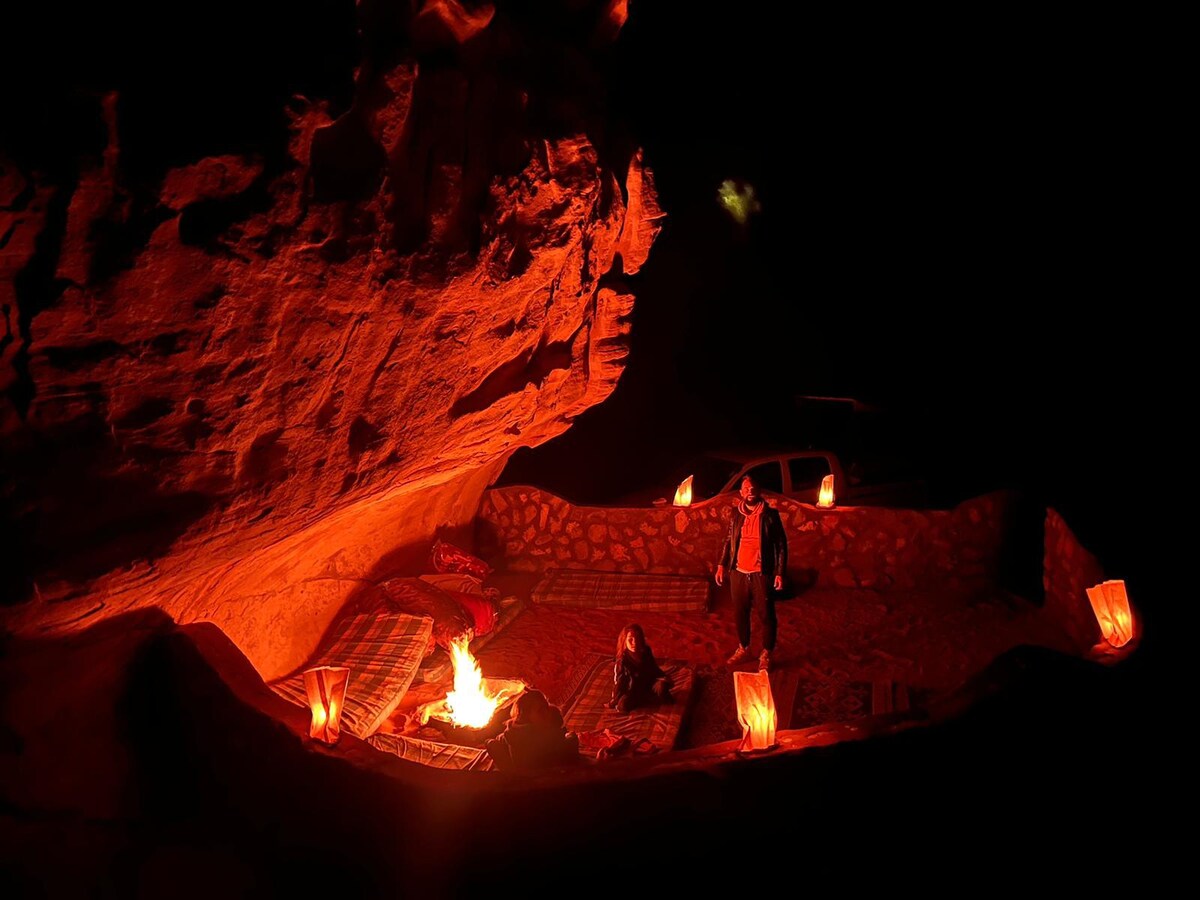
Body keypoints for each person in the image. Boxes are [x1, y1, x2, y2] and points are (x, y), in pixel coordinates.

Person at [715, 474, 788, 670]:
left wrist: (779, 572)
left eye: (754, 488)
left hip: (761, 573)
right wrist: (722, 565)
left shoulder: (770, 515)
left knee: (766, 615)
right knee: (740, 613)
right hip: (738, 572)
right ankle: (744, 647)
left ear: (759, 491)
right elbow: (728, 540)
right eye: (747, 489)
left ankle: (766, 653)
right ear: (741, 492)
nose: (750, 492)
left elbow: (781, 545)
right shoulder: (735, 514)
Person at [484, 689, 580, 772]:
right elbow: (559, 743)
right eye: (541, 711)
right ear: (526, 715)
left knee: (492, 742)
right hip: (521, 771)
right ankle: (511, 774)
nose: (547, 713)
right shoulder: (535, 733)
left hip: (527, 763)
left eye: (546, 708)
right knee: (491, 743)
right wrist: (569, 736)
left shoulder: (519, 728)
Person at [608, 623, 674, 713]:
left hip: (649, 686)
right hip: (633, 691)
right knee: (623, 705)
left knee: (662, 686)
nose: (634, 642)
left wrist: (664, 677)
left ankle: (649, 700)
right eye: (630, 639)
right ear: (624, 641)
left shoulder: (646, 651)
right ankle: (648, 701)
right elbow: (619, 683)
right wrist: (614, 701)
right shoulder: (622, 661)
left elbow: (654, 668)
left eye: (637, 638)